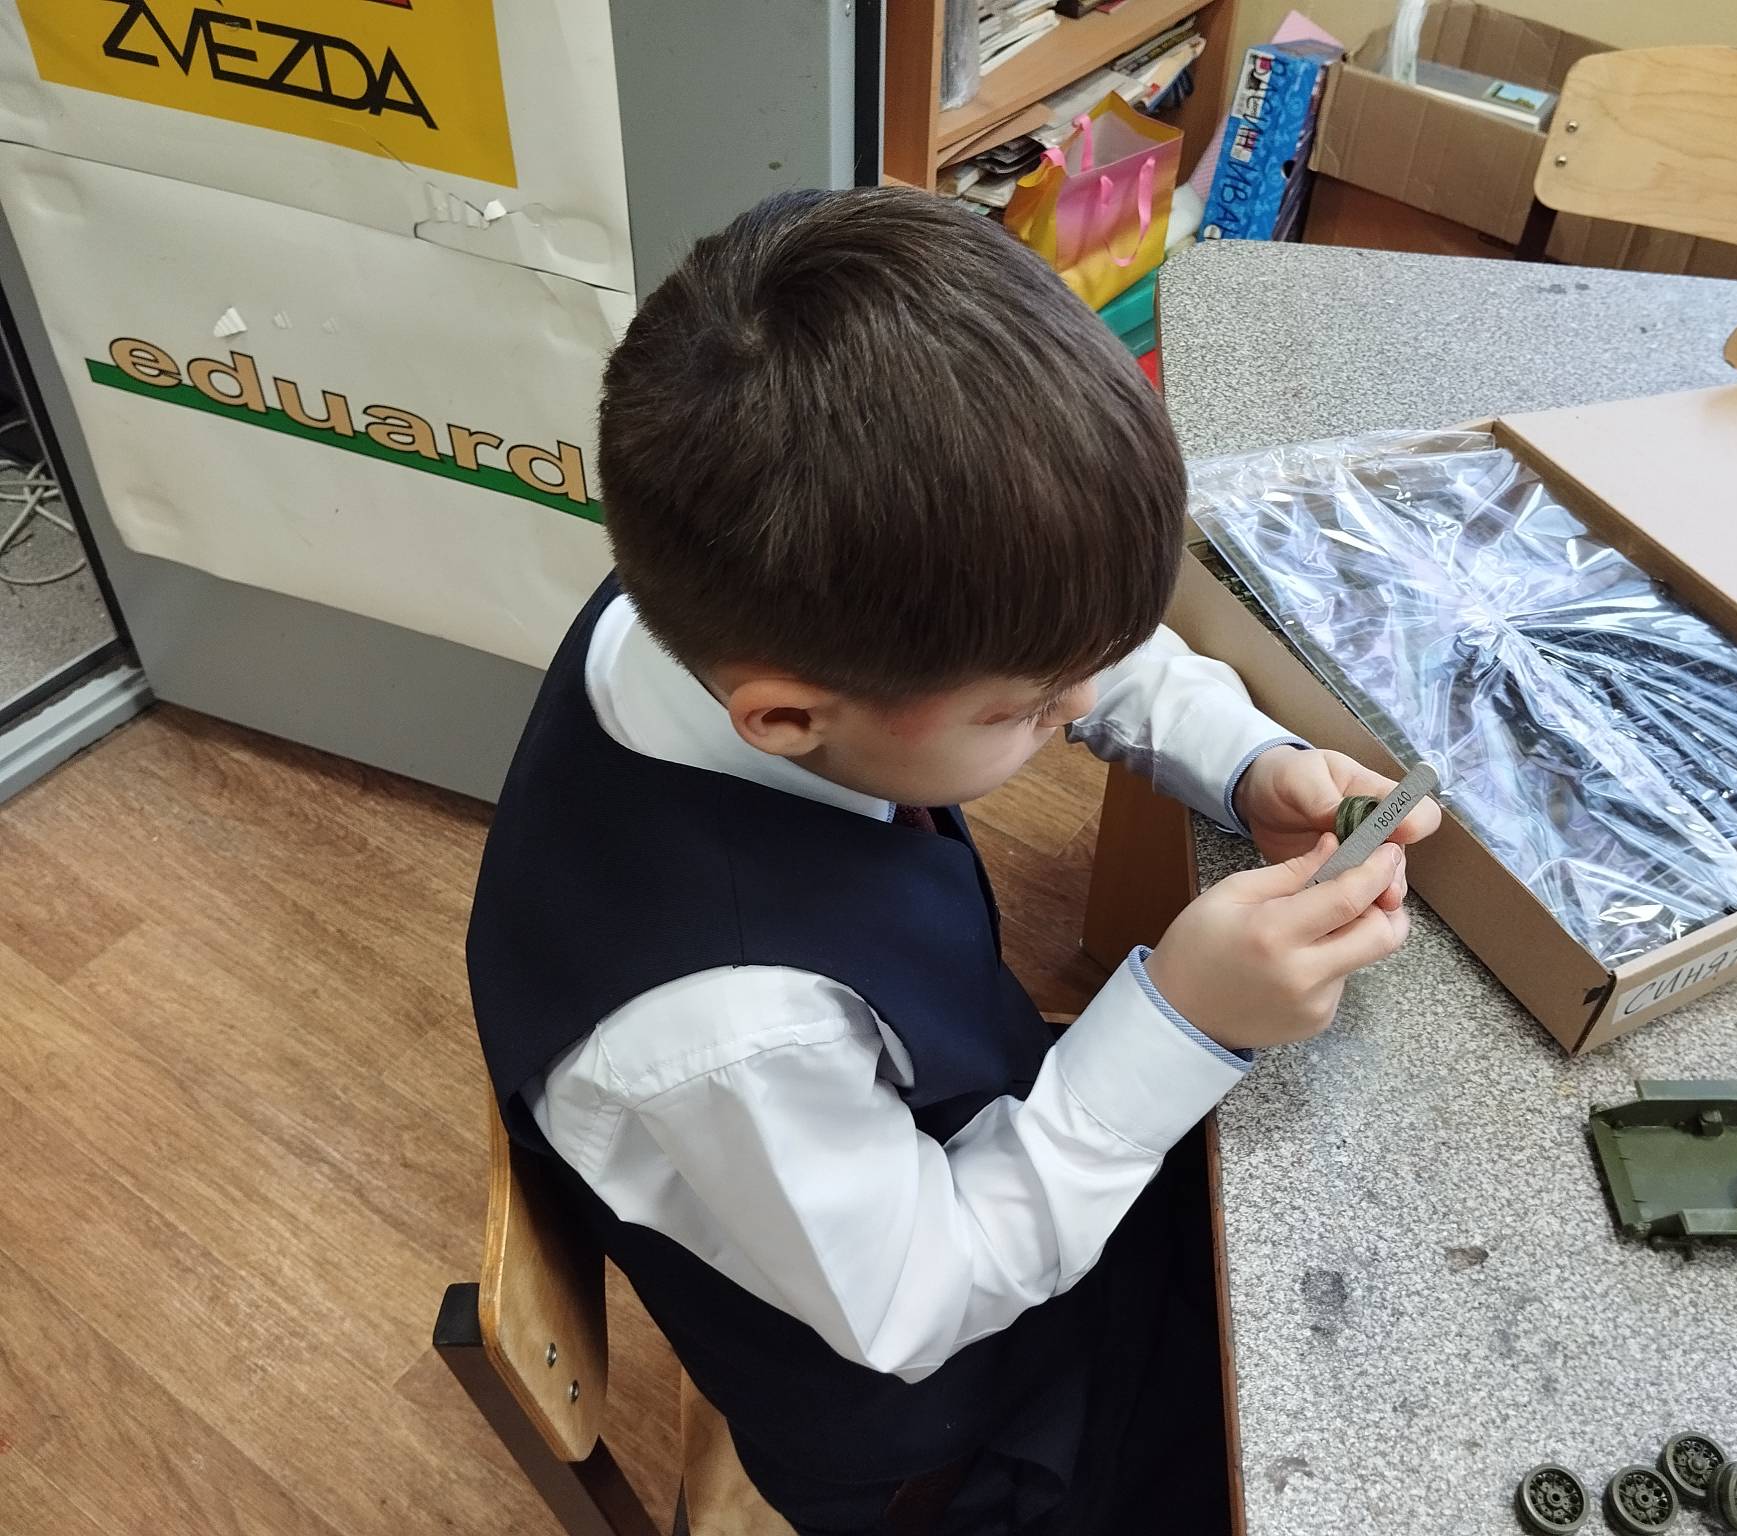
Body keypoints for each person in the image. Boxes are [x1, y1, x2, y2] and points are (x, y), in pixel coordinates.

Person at [467, 186, 1439, 1535]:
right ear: (787, 719)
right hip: (955, 1440)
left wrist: (1243, 761)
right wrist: (1183, 1021)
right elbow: (923, 1300)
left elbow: (1063, 639)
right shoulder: (731, 1032)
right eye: (1029, 712)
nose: (1077, 710)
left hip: (986, 1151)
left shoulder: (726, 597)